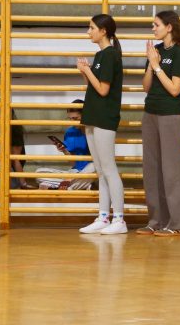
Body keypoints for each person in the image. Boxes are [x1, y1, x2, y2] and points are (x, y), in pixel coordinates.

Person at [139, 10, 180, 237]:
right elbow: (146, 86)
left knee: (174, 171)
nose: (153, 28)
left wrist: (157, 66)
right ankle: (157, 221)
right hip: (151, 113)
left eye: (156, 25)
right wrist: (151, 64)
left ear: (169, 27)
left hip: (172, 115)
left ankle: (179, 222)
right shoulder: (157, 51)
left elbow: (174, 89)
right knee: (152, 170)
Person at [76, 14, 126, 235]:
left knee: (109, 169)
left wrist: (87, 71)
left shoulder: (110, 55)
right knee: (100, 171)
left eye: (92, 28)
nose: (88, 32)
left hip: (105, 117)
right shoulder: (100, 55)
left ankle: (119, 219)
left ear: (103, 31)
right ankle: (103, 217)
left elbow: (104, 90)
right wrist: (85, 72)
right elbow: (94, 87)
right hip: (92, 115)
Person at [35, 100, 95, 190]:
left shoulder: (94, 130)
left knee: (95, 167)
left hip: (89, 171)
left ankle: (60, 187)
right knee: (39, 173)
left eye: (75, 118)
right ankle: (75, 186)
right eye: (70, 118)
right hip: (74, 172)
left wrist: (72, 178)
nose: (72, 122)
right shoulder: (70, 132)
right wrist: (64, 150)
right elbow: (73, 163)